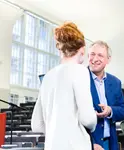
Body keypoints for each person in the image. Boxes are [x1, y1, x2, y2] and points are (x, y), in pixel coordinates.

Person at [31, 22, 97, 150]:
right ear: (82, 49)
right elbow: (88, 119)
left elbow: (36, 125)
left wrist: (56, 132)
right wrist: (93, 121)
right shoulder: (80, 71)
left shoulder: (48, 76)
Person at [88, 40, 124, 150]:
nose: (95, 59)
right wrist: (90, 144)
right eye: (92, 54)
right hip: (89, 143)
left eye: (100, 55)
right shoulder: (80, 78)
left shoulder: (115, 82)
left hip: (110, 142)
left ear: (108, 59)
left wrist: (110, 110)